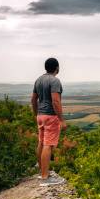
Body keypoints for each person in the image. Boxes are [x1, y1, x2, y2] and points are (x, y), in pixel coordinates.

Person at [31, 57, 67, 186]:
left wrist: (37, 114)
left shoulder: (38, 80)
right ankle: (46, 178)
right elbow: (56, 101)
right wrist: (61, 120)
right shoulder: (55, 81)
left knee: (41, 143)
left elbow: (33, 100)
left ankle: (42, 172)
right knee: (49, 145)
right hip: (51, 116)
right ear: (57, 68)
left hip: (40, 115)